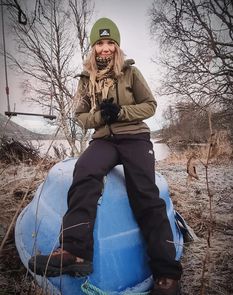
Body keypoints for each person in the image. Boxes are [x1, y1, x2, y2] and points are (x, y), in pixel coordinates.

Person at [28, 17, 182, 295]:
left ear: (117, 46)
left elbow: (150, 105)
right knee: (84, 171)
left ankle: (167, 274)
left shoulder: (131, 72)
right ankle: (75, 252)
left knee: (145, 193)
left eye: (110, 42)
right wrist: (101, 116)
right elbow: (81, 116)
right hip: (104, 139)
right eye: (100, 43)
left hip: (135, 136)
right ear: (93, 47)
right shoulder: (86, 80)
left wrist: (122, 113)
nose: (105, 48)